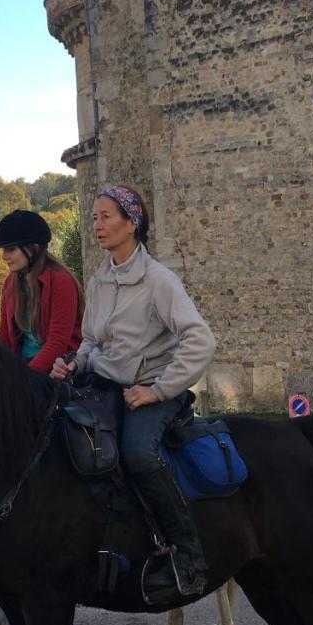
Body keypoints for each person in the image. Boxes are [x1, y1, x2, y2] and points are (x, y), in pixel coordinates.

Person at [51, 185, 216, 603]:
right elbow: (90, 341)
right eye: (94, 217)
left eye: (106, 216)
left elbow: (201, 340)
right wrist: (74, 362)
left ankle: (186, 554)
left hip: (155, 391)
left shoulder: (160, 281)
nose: (97, 225)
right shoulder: (100, 278)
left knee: (138, 453)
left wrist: (159, 390)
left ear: (132, 223)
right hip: (105, 386)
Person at [0, 209, 83, 373]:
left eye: (10, 249)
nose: (4, 256)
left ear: (33, 248)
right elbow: (4, 338)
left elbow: (57, 343)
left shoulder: (61, 281)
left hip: (59, 368)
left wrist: (24, 380)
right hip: (23, 366)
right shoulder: (10, 284)